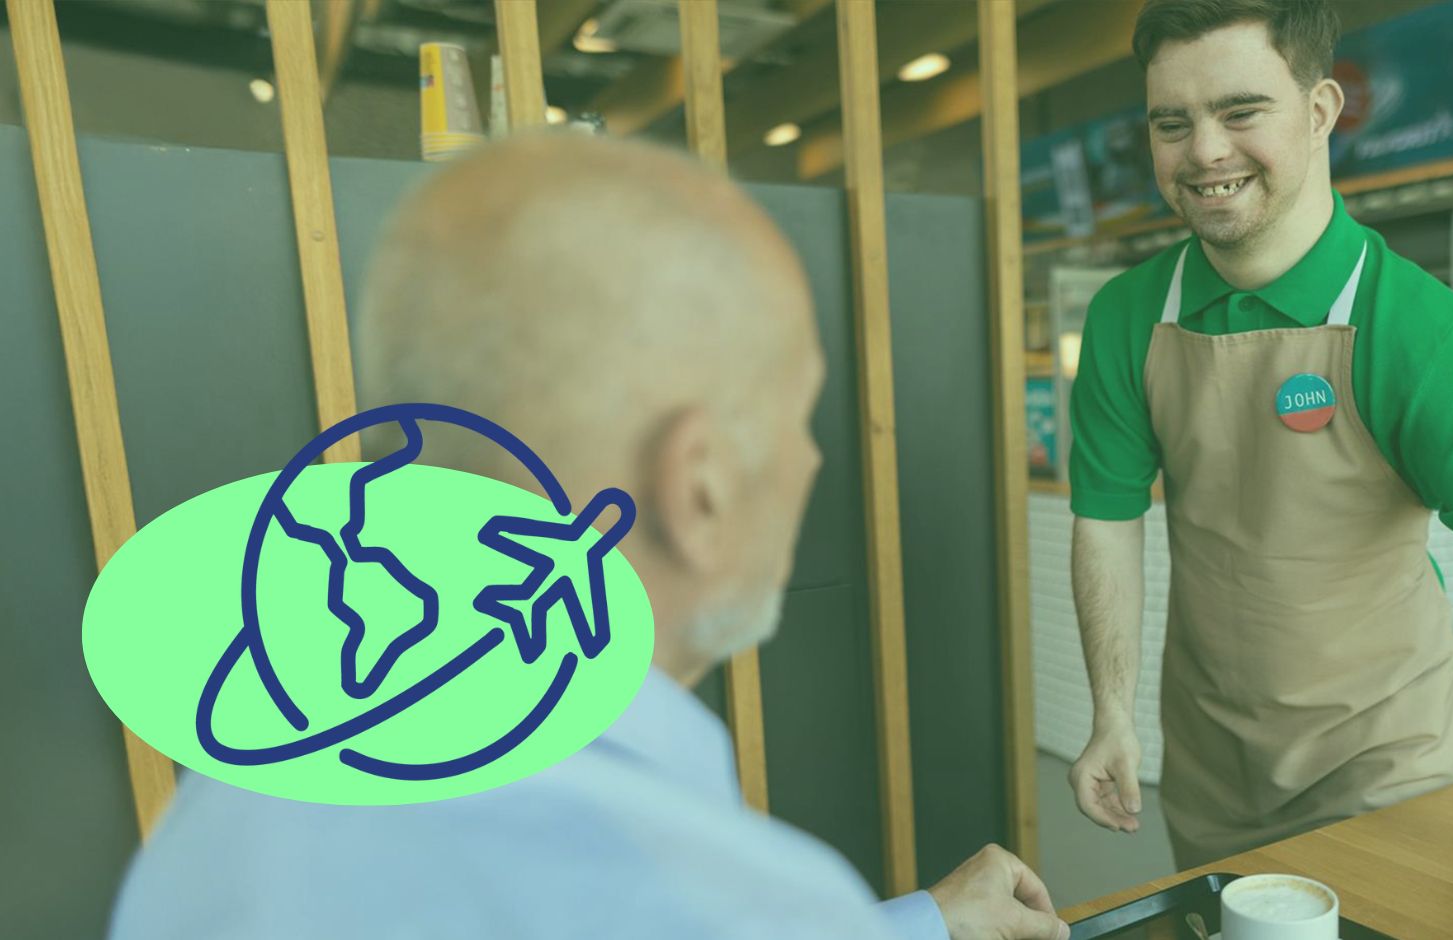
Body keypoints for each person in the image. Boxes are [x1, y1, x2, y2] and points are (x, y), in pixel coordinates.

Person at [108, 133, 1069, 940]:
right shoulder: (708, 895)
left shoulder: (224, 812)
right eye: (797, 416)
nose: (812, 461)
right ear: (698, 484)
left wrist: (914, 922)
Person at [1063, 0, 1453, 937]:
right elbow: (1105, 521)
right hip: (1207, 760)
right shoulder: (1128, 318)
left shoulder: (1420, 329)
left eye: (1240, 110)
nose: (1205, 150)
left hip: (1381, 762)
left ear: (1320, 109)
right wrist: (1110, 711)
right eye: (1171, 123)